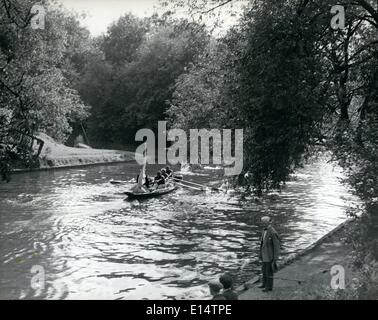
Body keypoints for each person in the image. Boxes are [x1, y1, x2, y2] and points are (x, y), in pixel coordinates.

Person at [258, 216, 280, 292]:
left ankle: (269, 287)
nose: (262, 223)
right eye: (262, 222)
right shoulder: (264, 230)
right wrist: (260, 253)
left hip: (270, 255)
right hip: (264, 254)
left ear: (267, 222)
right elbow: (262, 243)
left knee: (269, 271)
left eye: (263, 222)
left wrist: (275, 258)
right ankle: (264, 284)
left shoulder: (273, 232)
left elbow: (276, 246)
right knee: (264, 270)